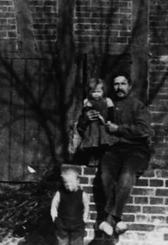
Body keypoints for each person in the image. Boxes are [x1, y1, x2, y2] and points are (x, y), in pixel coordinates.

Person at [93, 73, 151, 238]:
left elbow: (144, 130)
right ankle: (117, 222)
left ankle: (108, 220)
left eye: (123, 84)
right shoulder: (106, 104)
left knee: (126, 176)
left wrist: (119, 129)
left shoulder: (138, 106)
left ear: (129, 86)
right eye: (116, 84)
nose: (119, 87)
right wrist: (87, 118)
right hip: (114, 150)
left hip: (137, 150)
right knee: (105, 175)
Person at [75, 78, 114, 165]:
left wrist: (109, 121)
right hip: (92, 127)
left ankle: (101, 158)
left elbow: (111, 113)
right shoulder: (88, 101)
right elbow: (85, 114)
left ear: (103, 91)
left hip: (102, 125)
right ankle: (92, 158)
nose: (96, 94)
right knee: (92, 142)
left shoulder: (107, 101)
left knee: (103, 143)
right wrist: (87, 113)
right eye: (93, 92)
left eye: (98, 92)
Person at [48, 164, 87, 245]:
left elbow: (86, 207)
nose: (69, 185)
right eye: (66, 182)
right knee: (62, 242)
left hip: (78, 226)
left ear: (78, 181)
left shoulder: (82, 194)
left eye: (71, 182)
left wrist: (84, 220)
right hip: (62, 226)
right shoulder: (60, 193)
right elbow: (54, 206)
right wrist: (55, 219)